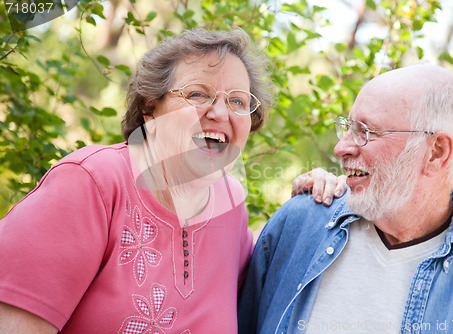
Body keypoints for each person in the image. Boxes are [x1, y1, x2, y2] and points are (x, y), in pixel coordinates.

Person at [0, 29, 346, 333]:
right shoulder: (92, 181)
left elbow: (269, 295)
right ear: (151, 107)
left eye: (238, 102)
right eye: (198, 94)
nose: (221, 113)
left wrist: (311, 197)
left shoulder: (231, 205)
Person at [238, 64, 453, 334]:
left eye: (366, 131)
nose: (341, 148)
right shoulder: (299, 223)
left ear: (436, 152)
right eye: (348, 127)